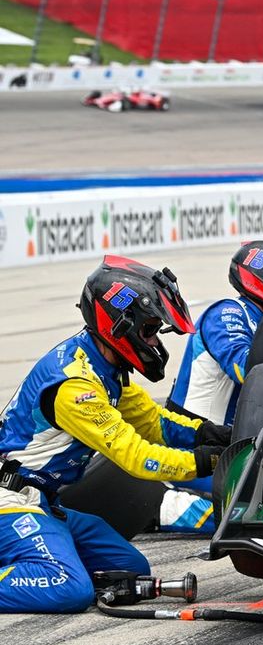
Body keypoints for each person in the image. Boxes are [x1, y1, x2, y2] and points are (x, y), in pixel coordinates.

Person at [0, 256, 231, 613]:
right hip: (11, 502)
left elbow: (153, 422)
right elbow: (136, 457)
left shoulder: (103, 366)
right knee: (68, 588)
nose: (154, 341)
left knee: (130, 568)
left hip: (42, 501)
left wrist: (208, 433)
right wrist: (204, 462)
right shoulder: (76, 386)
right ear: (120, 325)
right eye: (149, 330)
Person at [160, 239, 263, 533]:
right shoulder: (228, 312)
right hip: (193, 445)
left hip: (234, 444)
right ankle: (166, 504)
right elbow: (246, 370)